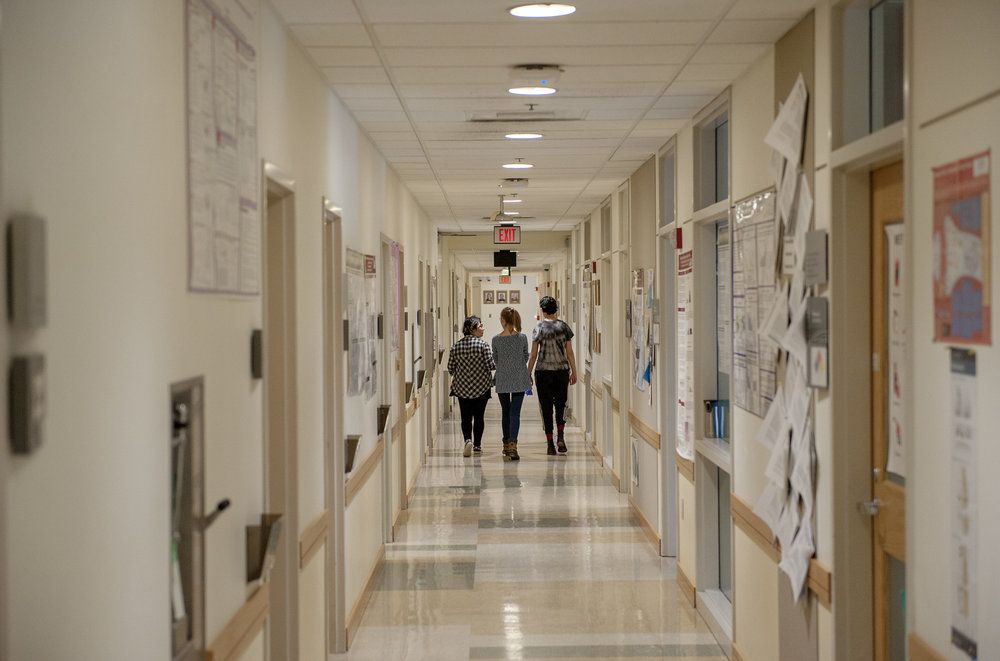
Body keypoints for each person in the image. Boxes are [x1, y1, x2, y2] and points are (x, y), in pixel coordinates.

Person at [527, 296, 578, 455]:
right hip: (561, 372)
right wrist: (574, 371)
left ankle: (550, 443)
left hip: (543, 372)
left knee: (546, 407)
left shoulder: (539, 327)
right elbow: (569, 352)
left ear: (543, 311)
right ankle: (561, 438)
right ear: (556, 309)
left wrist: (527, 373)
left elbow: (533, 354)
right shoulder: (564, 327)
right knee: (560, 405)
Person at [447, 316, 495, 457]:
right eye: (480, 326)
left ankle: (468, 440)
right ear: (473, 329)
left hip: (462, 388)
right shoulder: (483, 345)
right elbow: (491, 365)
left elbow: (450, 368)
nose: (483, 328)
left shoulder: (456, 346)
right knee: (479, 417)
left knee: (465, 417)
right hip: (481, 387)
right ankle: (478, 445)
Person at [491, 307, 531, 461]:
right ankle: (513, 445)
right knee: (515, 413)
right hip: (519, 379)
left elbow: (496, 359)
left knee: (505, 412)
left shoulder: (496, 339)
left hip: (502, 379)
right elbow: (525, 357)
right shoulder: (522, 338)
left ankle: (506, 444)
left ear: (503, 320)